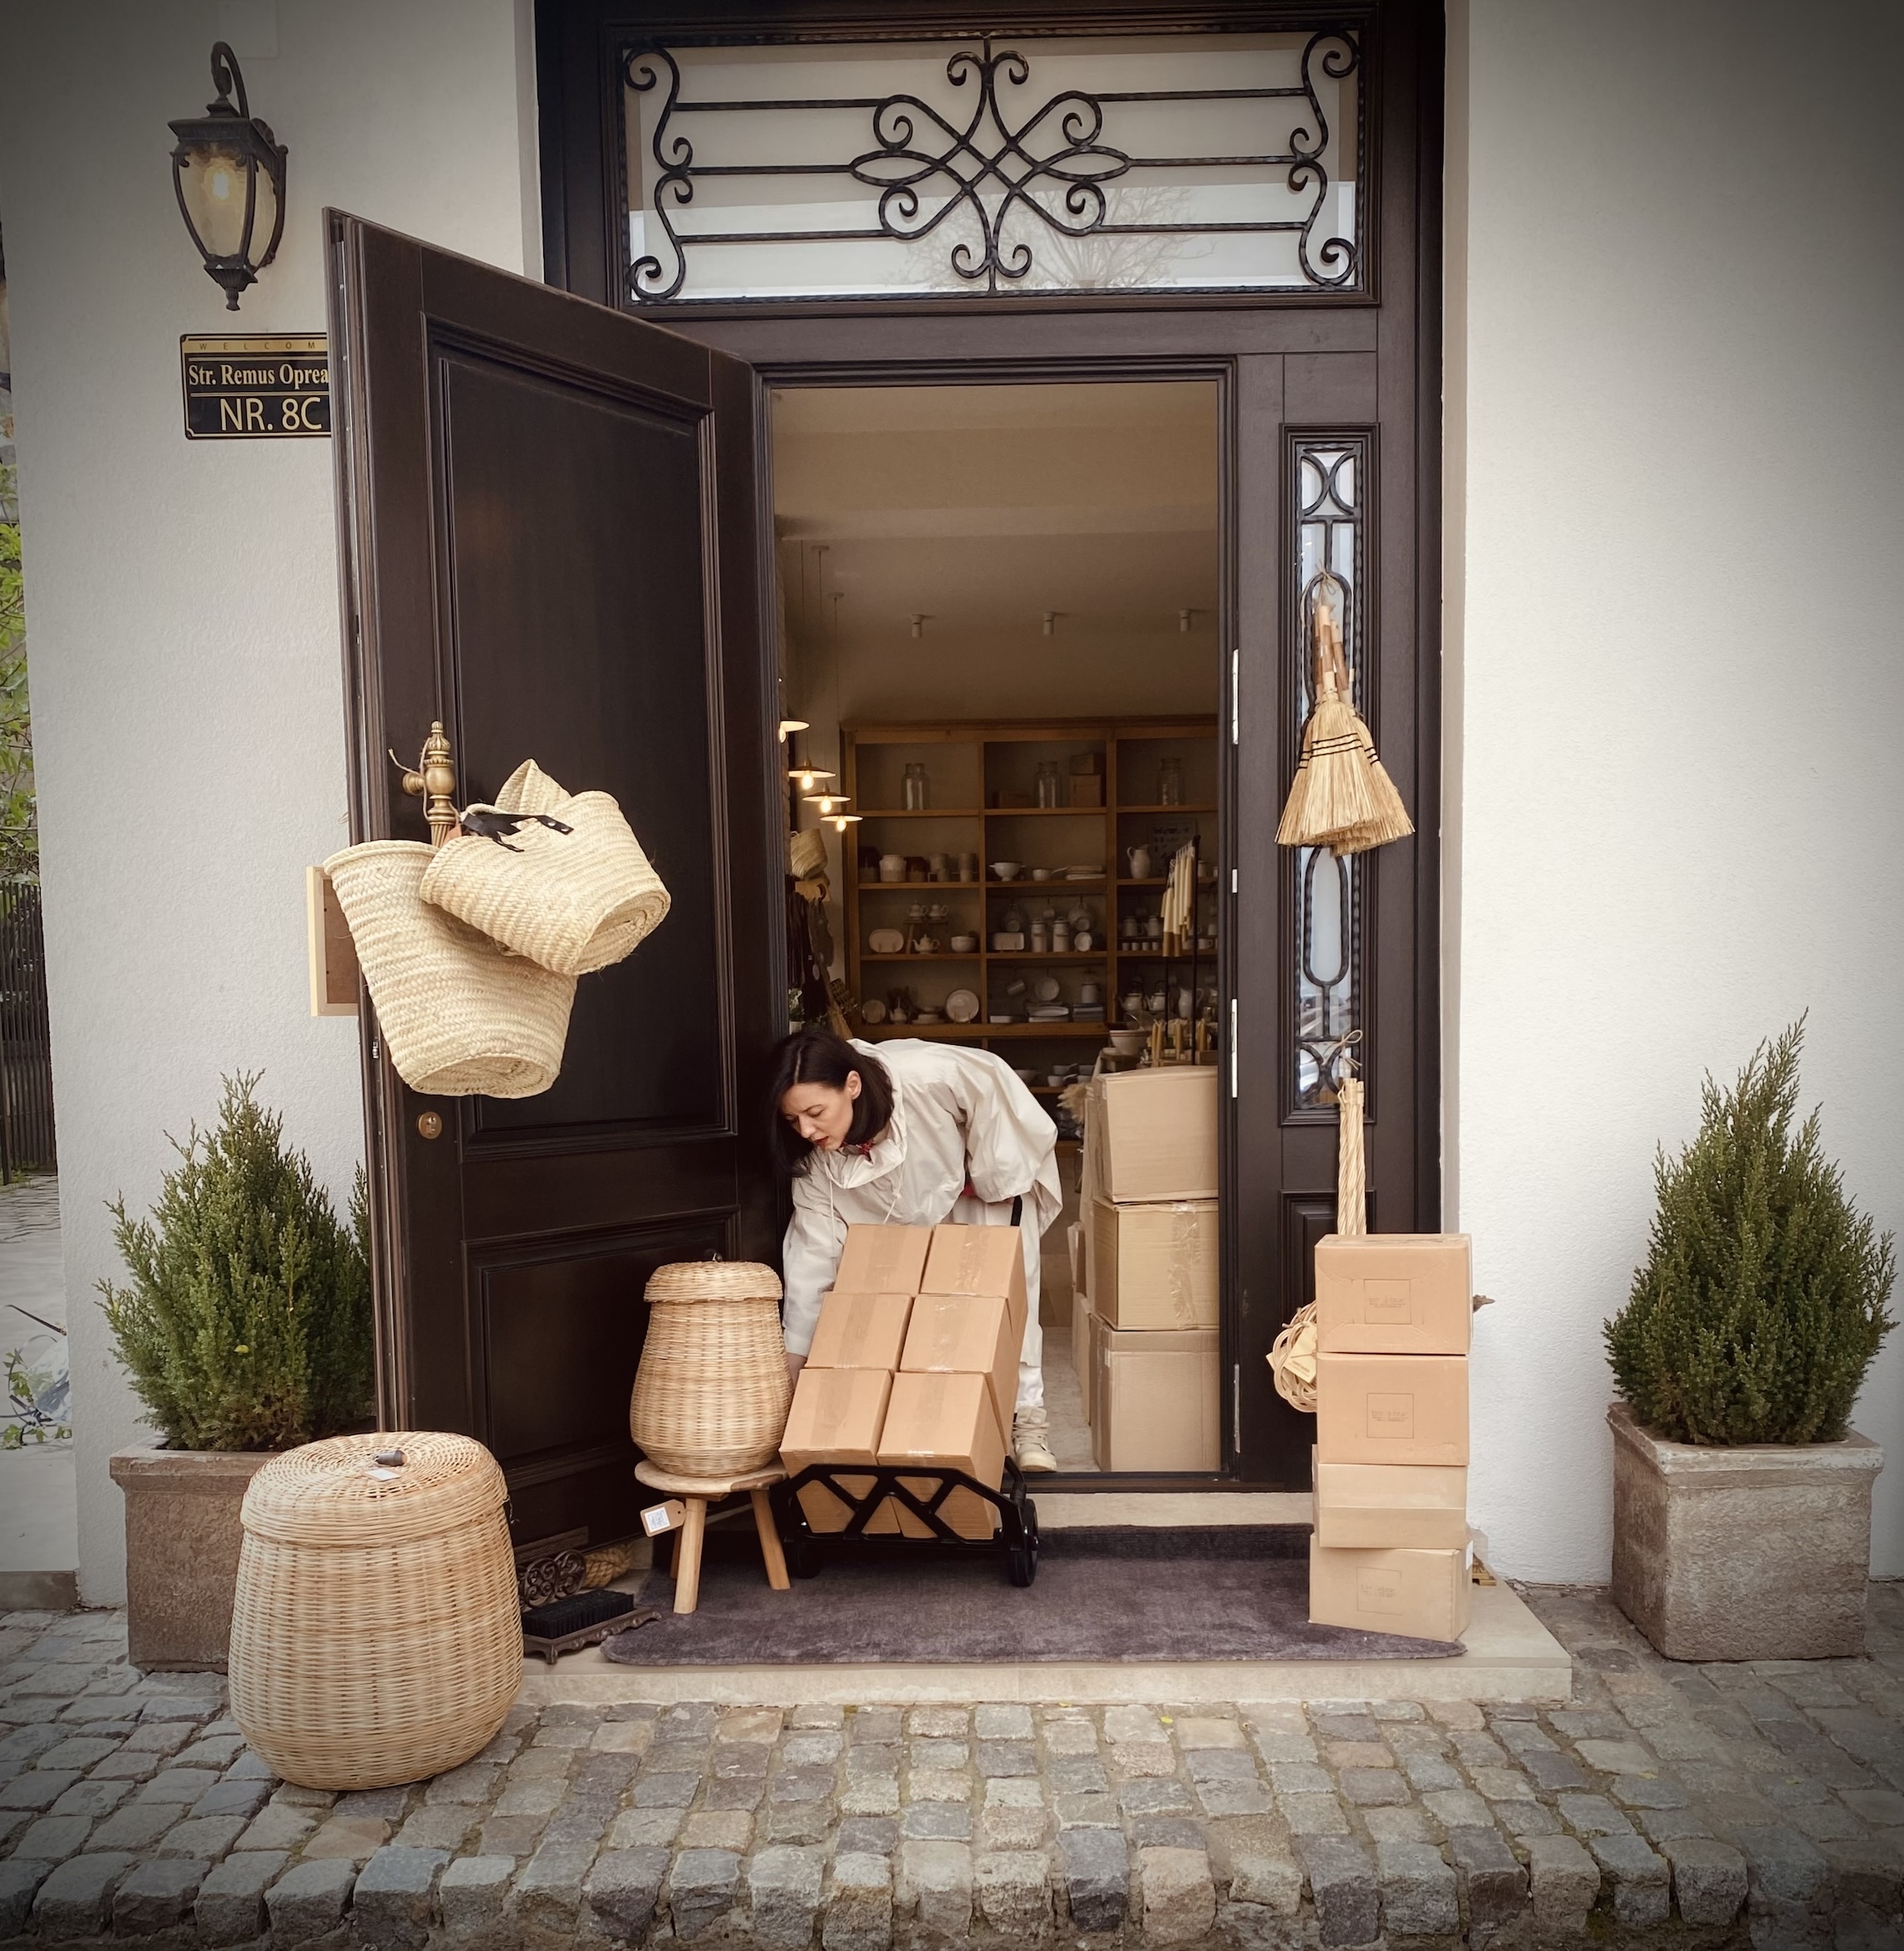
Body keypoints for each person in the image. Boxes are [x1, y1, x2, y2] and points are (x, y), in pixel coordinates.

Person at [768, 1026, 1062, 1473]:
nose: (807, 1130)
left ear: (852, 1085)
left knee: (1006, 1300)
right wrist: (792, 1380)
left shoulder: (923, 1074)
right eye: (793, 1120)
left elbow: (994, 1089)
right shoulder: (816, 1167)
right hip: (902, 1214)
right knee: (932, 1322)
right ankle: (954, 1432)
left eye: (815, 1112)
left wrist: (989, 1176)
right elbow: (811, 1263)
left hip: (978, 1192)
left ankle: (1028, 1424)